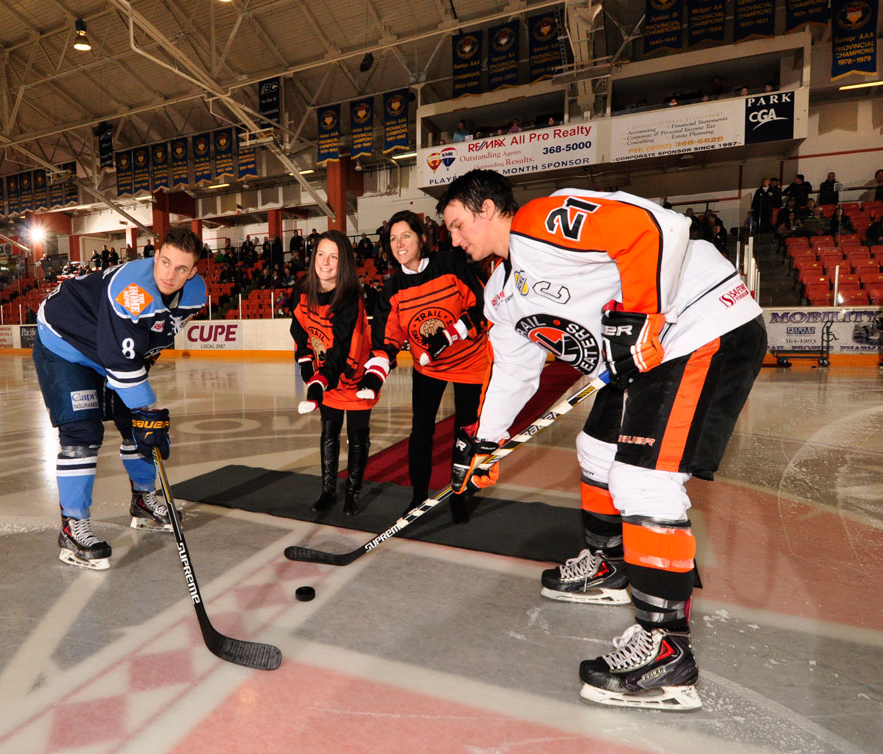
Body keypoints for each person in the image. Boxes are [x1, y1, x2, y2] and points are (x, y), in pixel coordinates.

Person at [438, 169, 765, 711]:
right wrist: (484, 444)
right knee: (595, 450)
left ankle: (668, 653)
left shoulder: (543, 219)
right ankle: (610, 563)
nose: (453, 238)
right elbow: (516, 373)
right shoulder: (502, 290)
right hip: (643, 359)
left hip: (700, 327)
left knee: (643, 480)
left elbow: (651, 229)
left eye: (455, 224)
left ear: (488, 208)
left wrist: (642, 315)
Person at [34, 228, 207, 569]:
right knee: (82, 434)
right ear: (155, 256)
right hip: (65, 342)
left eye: (181, 269)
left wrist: (142, 413)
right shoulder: (131, 291)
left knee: (135, 426)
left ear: (194, 272)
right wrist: (147, 409)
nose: (170, 275)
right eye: (165, 263)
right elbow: (119, 358)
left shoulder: (195, 295)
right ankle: (72, 527)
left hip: (107, 347)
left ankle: (144, 500)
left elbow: (148, 343)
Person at [362, 210, 491, 521]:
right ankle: (418, 496)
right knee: (420, 432)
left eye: (405, 235)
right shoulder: (392, 289)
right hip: (428, 369)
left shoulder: (450, 264)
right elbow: (386, 340)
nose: (399, 243)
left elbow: (484, 309)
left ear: (422, 237)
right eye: (392, 238)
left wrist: (450, 335)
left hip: (470, 362)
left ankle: (459, 495)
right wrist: (375, 374)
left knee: (466, 432)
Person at [291, 230, 379, 517]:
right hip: (325, 376)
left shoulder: (350, 299)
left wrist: (319, 382)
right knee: (328, 431)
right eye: (320, 254)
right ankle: (328, 490)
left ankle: (352, 492)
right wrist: (305, 360)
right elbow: (299, 329)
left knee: (357, 434)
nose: (325, 263)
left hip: (354, 377)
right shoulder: (302, 289)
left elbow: (341, 351)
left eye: (334, 257)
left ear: (344, 265)